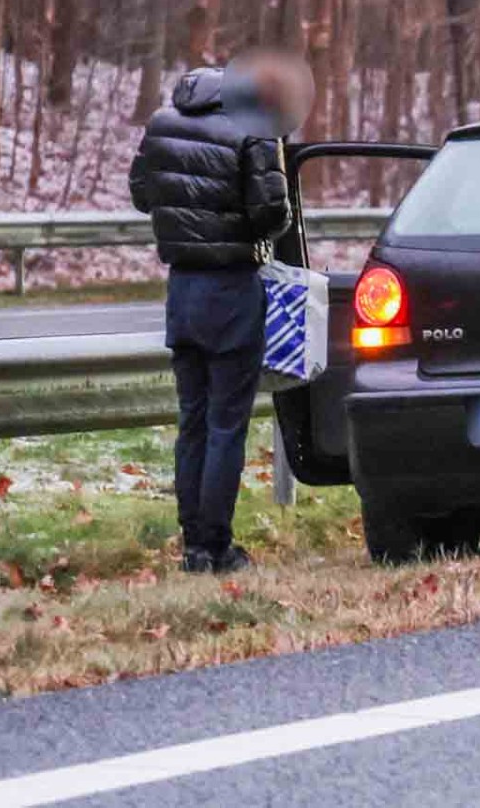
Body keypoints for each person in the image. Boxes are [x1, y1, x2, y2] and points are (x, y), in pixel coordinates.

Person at [128, 60, 296, 574]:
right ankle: (218, 546)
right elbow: (270, 214)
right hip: (231, 292)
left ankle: (193, 545)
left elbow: (141, 194)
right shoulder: (253, 130)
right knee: (227, 425)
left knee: (193, 423)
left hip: (182, 291)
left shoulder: (161, 125)